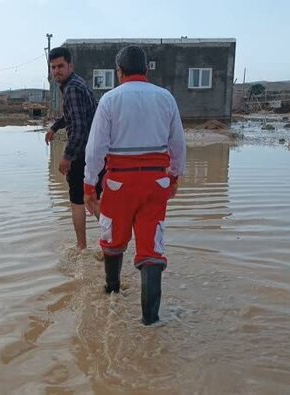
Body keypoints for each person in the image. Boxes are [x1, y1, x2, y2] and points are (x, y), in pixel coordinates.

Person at [83, 46, 186, 325]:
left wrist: (89, 186)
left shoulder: (109, 100)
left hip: (119, 185)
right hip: (155, 183)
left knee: (113, 241)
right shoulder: (166, 98)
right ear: (146, 70)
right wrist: (174, 177)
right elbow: (178, 144)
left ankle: (112, 292)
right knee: (151, 250)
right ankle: (151, 322)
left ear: (119, 72)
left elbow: (95, 150)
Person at [45, 47, 103, 252]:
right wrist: (55, 127)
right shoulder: (75, 84)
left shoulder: (72, 88)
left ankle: (82, 247)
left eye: (61, 66)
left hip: (83, 153)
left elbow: (79, 128)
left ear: (71, 66)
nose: (57, 71)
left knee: (78, 200)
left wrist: (67, 157)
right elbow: (73, 116)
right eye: (53, 67)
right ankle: (113, 237)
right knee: (91, 198)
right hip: (94, 152)